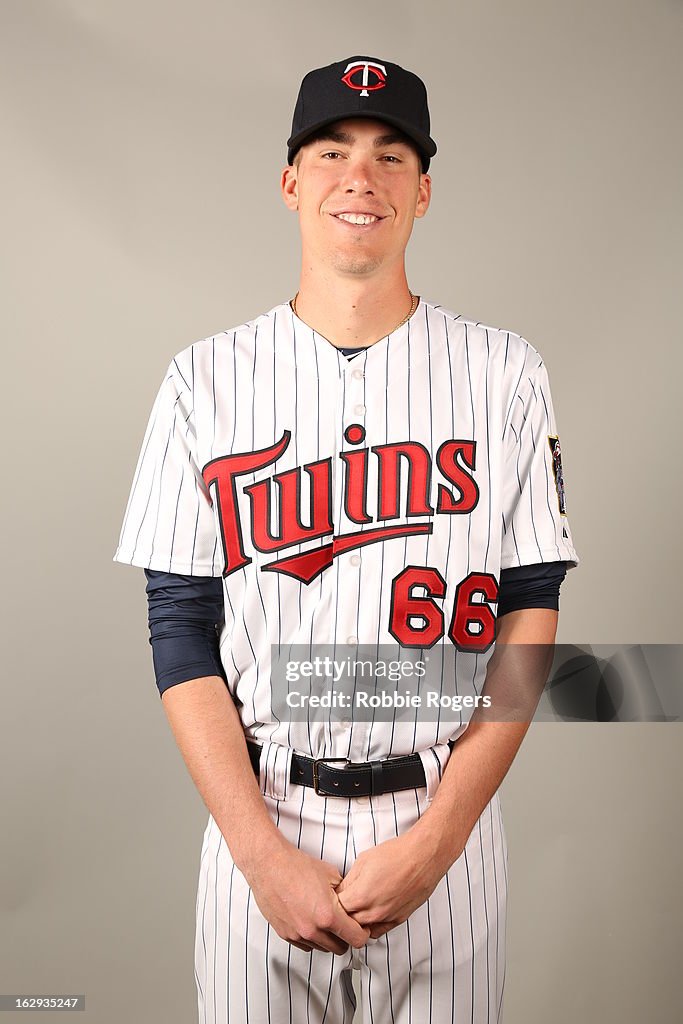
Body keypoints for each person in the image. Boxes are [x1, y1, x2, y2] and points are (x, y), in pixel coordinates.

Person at [113, 55, 579, 1024]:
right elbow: (180, 629)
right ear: (291, 183)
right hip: (265, 815)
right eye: (331, 151)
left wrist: (440, 842)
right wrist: (257, 853)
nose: (358, 176)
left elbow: (529, 613)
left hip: (442, 820)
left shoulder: (503, 373)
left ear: (422, 190)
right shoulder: (204, 381)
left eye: (388, 154)